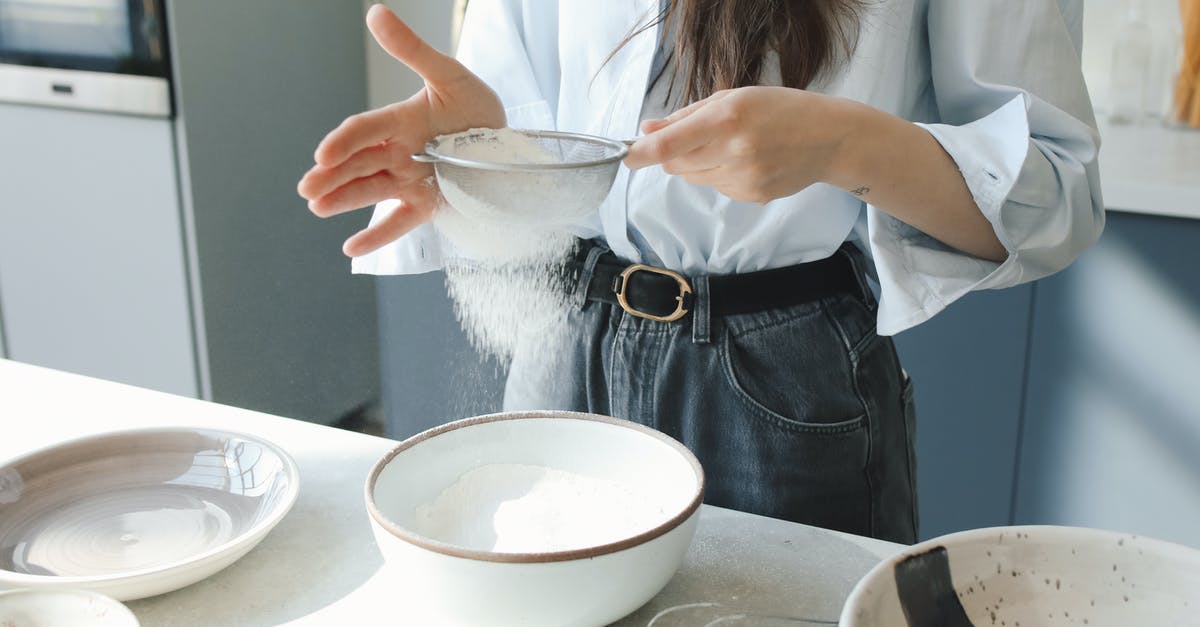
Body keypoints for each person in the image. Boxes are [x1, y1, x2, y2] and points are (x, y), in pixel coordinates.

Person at [297, 1, 1103, 544]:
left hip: (785, 390)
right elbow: (531, 131)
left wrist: (841, 143)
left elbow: (1053, 187)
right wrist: (477, 154)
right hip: (566, 347)